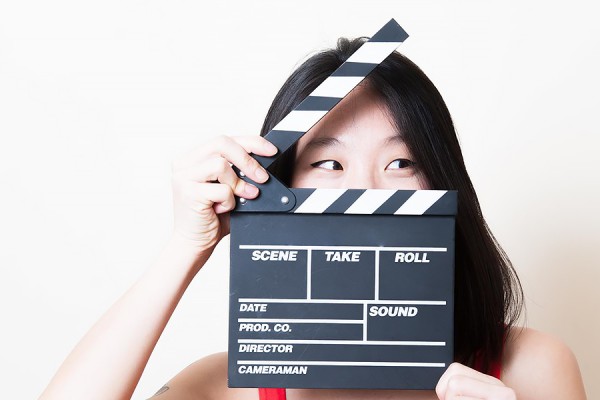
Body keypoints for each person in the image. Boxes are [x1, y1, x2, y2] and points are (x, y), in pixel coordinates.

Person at [39, 37, 587, 400]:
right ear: (283, 190)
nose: (365, 190)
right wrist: (186, 245)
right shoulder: (226, 387)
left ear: (442, 189)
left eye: (402, 162)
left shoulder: (527, 369)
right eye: (328, 163)